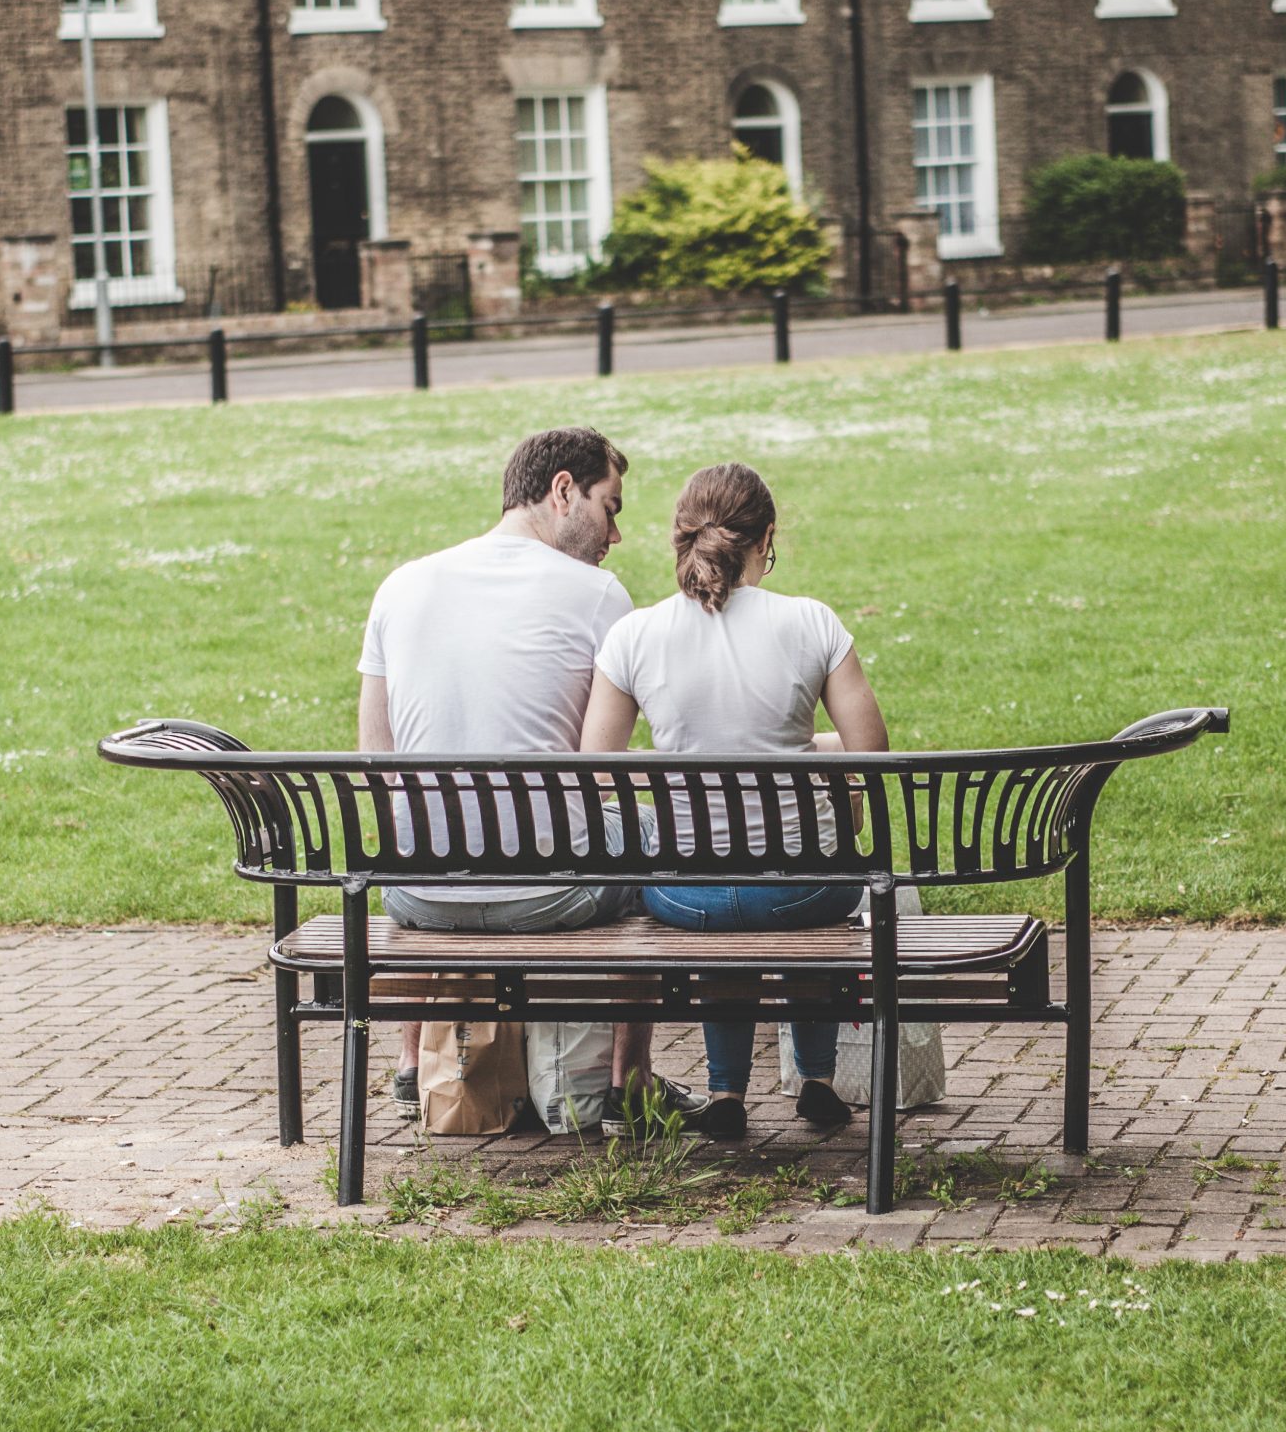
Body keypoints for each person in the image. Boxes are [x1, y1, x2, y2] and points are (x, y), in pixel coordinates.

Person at [357, 425, 697, 1132]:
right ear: (563, 491)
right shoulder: (598, 594)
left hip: (418, 893)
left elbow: (378, 759)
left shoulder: (401, 585)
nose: (616, 532)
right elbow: (601, 768)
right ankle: (626, 1082)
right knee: (650, 847)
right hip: (550, 893)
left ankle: (412, 1060)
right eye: (611, 506)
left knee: (430, 824)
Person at [579, 461, 890, 1140]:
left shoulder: (635, 635)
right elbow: (872, 753)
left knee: (722, 913)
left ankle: (726, 1090)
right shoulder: (811, 623)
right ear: (766, 536)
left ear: (681, 538)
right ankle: (815, 1078)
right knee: (812, 891)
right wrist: (813, 753)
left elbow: (597, 770)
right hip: (807, 892)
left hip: (687, 896)